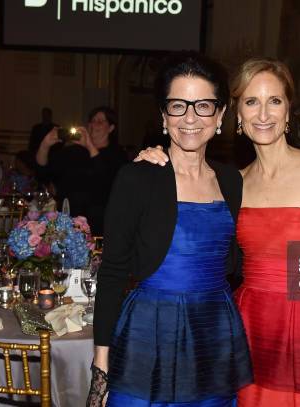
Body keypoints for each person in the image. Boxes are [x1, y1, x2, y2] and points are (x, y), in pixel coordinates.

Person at [136, 58, 300, 406]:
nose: (264, 113)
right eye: (251, 101)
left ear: (288, 110)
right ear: (237, 116)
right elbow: (188, 233)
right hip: (250, 328)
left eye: (274, 100)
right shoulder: (232, 183)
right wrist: (154, 163)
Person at [90, 53, 252, 407]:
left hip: (213, 332)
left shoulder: (231, 180)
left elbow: (238, 262)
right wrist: (101, 362)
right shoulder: (137, 177)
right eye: (178, 106)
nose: (191, 117)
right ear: (164, 115)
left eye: (204, 105)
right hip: (149, 333)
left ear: (221, 114)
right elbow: (114, 271)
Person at [36, 106, 127, 235]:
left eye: (100, 121)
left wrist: (90, 145)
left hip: (97, 224)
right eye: (92, 121)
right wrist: (45, 144)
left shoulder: (116, 155)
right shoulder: (74, 151)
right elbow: (42, 172)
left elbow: (106, 180)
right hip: (67, 220)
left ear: (111, 128)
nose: (94, 125)